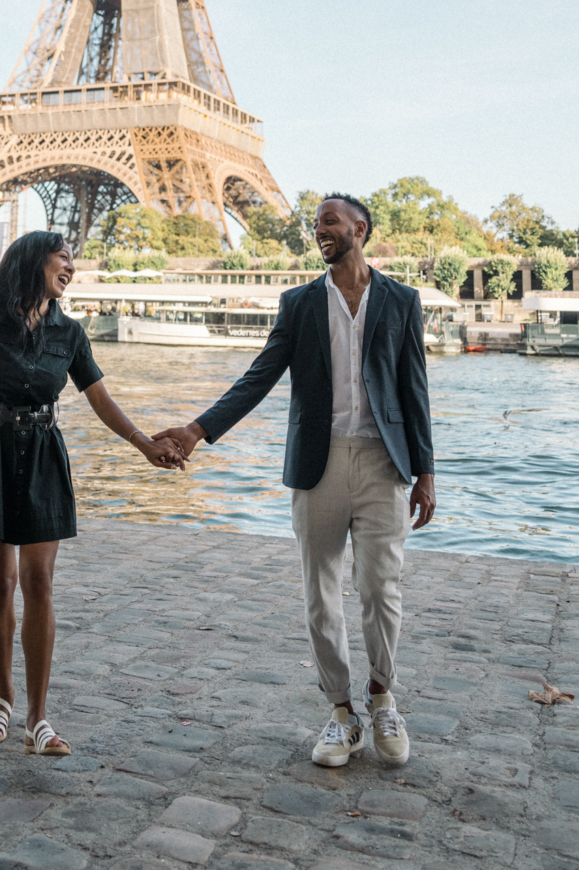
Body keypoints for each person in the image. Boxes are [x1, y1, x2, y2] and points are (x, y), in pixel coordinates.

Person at [156, 193, 435, 770]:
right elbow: (258, 376)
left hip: (385, 463)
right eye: (316, 226)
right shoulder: (299, 303)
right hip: (318, 463)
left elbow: (415, 390)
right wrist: (196, 430)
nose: (319, 232)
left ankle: (382, 698)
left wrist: (425, 472)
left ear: (360, 228)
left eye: (329, 222)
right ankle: (341, 713)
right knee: (320, 596)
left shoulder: (402, 301)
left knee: (383, 590)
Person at [0, 229, 182, 757]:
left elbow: (100, 399)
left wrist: (143, 444)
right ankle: (3, 697)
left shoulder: (70, 332)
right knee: (0, 583)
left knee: (38, 582)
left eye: (72, 260)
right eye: (63, 258)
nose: (71, 267)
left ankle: (39, 715)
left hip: (42, 457)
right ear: (33, 261)